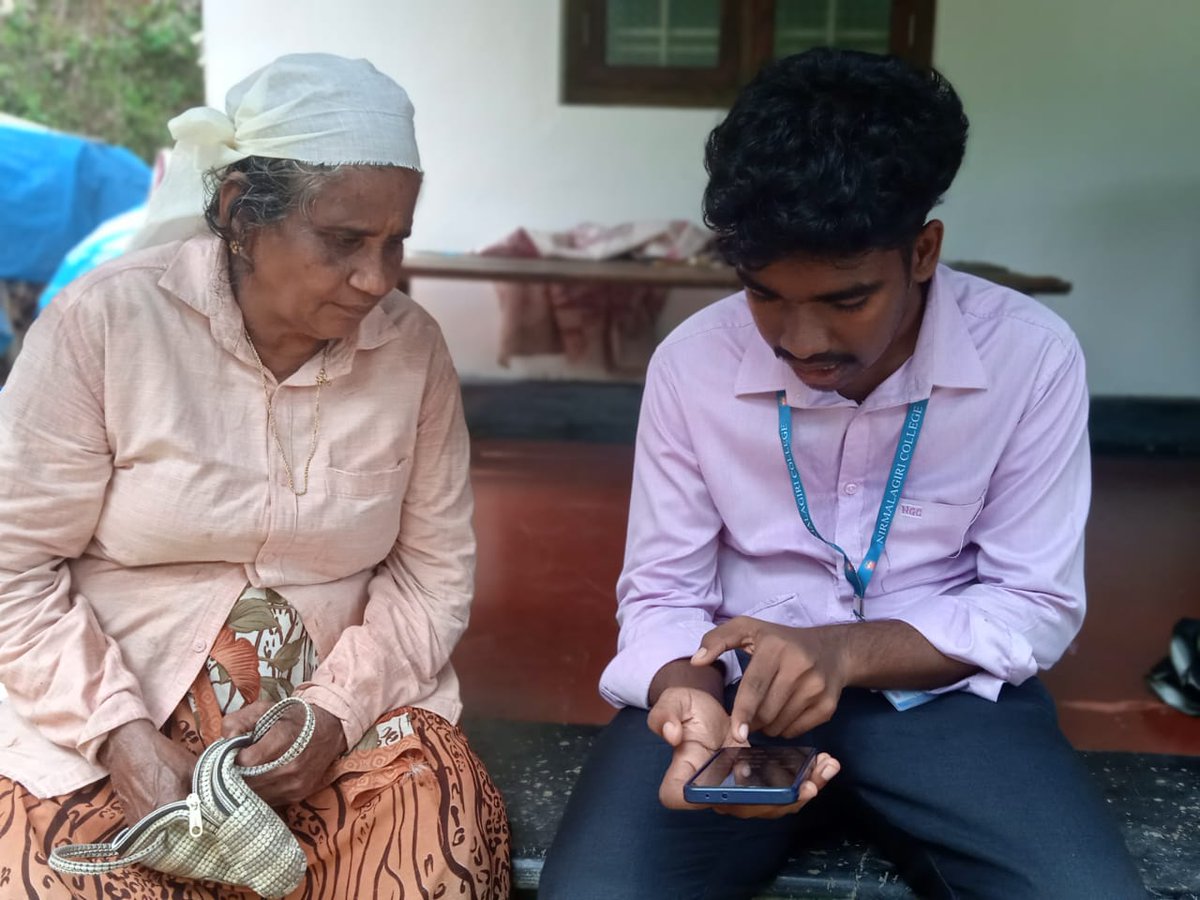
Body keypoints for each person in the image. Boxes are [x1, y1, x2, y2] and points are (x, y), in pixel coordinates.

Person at [539, 49, 1146, 899]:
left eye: (846, 300)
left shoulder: (1029, 356)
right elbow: (664, 591)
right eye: (763, 294)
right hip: (734, 703)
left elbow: (1031, 601)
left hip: (946, 698)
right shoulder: (693, 363)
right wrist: (684, 692)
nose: (800, 341)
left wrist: (845, 651)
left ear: (923, 252)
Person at [0, 53, 510, 899]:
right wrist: (120, 736)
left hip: (346, 727)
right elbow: (11, 568)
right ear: (241, 213)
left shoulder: (411, 349)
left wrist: (334, 712)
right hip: (102, 721)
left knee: (426, 862)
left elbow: (434, 575)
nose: (377, 279)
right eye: (343, 241)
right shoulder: (104, 325)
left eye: (395, 242)